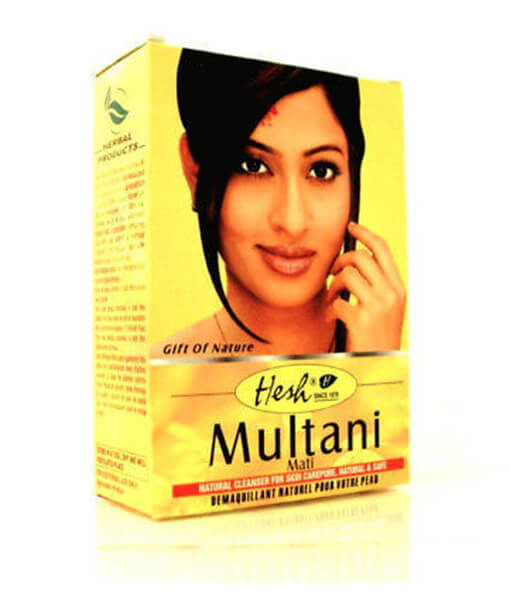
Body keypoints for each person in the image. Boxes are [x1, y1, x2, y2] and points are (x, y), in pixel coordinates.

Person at [151, 49, 406, 358]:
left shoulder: (393, 356)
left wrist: (378, 367)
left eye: (321, 171)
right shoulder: (165, 375)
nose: (292, 221)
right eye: (253, 166)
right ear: (194, 172)